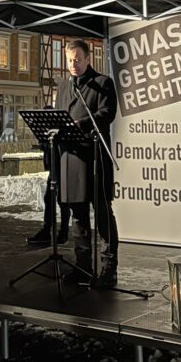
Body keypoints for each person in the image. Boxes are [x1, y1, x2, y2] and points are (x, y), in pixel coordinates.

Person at [57, 40, 119, 288]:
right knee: (78, 215)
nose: (73, 65)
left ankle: (109, 268)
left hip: (95, 158)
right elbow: (59, 113)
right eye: (70, 60)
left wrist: (83, 123)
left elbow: (107, 113)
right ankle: (82, 266)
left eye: (78, 60)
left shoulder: (103, 83)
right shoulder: (63, 86)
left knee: (103, 213)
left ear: (87, 59)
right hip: (71, 158)